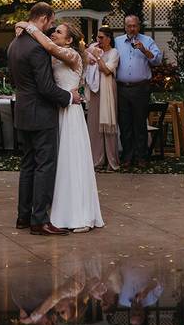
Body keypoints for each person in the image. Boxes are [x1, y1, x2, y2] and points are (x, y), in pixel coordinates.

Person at [17, 19, 104, 232]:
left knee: (72, 161)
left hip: (71, 113)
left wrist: (29, 27)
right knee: (59, 164)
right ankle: (57, 211)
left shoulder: (72, 55)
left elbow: (47, 45)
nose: (54, 34)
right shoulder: (54, 55)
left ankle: (79, 214)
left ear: (69, 39)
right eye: (54, 31)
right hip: (57, 111)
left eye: (59, 32)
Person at [8, 2, 81, 236]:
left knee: (27, 165)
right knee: (44, 166)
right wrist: (69, 97)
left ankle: (23, 217)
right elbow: (46, 87)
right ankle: (39, 220)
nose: (51, 27)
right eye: (51, 21)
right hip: (41, 113)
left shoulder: (15, 44)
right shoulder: (38, 48)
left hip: (23, 111)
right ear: (45, 17)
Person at [113, 15, 162, 169]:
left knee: (140, 123)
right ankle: (127, 157)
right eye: (129, 26)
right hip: (121, 88)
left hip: (141, 88)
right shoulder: (118, 41)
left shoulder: (147, 41)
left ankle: (141, 157)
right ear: (125, 26)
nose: (132, 29)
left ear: (138, 26)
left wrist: (144, 50)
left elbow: (157, 60)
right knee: (125, 123)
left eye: (134, 26)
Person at [85, 26, 120, 171]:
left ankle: (111, 161)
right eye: (97, 37)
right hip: (94, 90)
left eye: (101, 37)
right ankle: (97, 160)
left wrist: (98, 57)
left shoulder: (114, 53)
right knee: (94, 125)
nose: (98, 40)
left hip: (107, 90)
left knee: (108, 123)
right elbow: (85, 58)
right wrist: (90, 55)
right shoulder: (93, 48)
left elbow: (106, 70)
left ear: (109, 38)